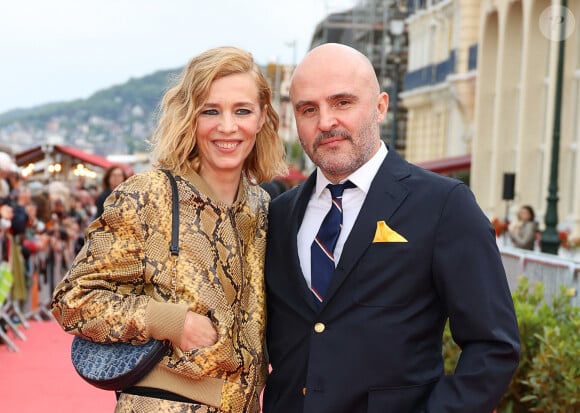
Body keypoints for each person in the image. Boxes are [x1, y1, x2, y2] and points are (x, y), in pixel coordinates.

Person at [263, 43, 520, 413]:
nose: (325, 122)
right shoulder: (280, 214)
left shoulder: (444, 205)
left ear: (380, 106)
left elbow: (493, 346)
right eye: (308, 109)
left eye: (342, 102)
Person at [51, 46, 286, 413]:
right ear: (190, 117)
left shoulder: (263, 206)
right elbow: (74, 301)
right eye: (211, 111)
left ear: (261, 118)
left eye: (242, 110)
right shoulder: (149, 196)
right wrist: (171, 322)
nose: (227, 126)